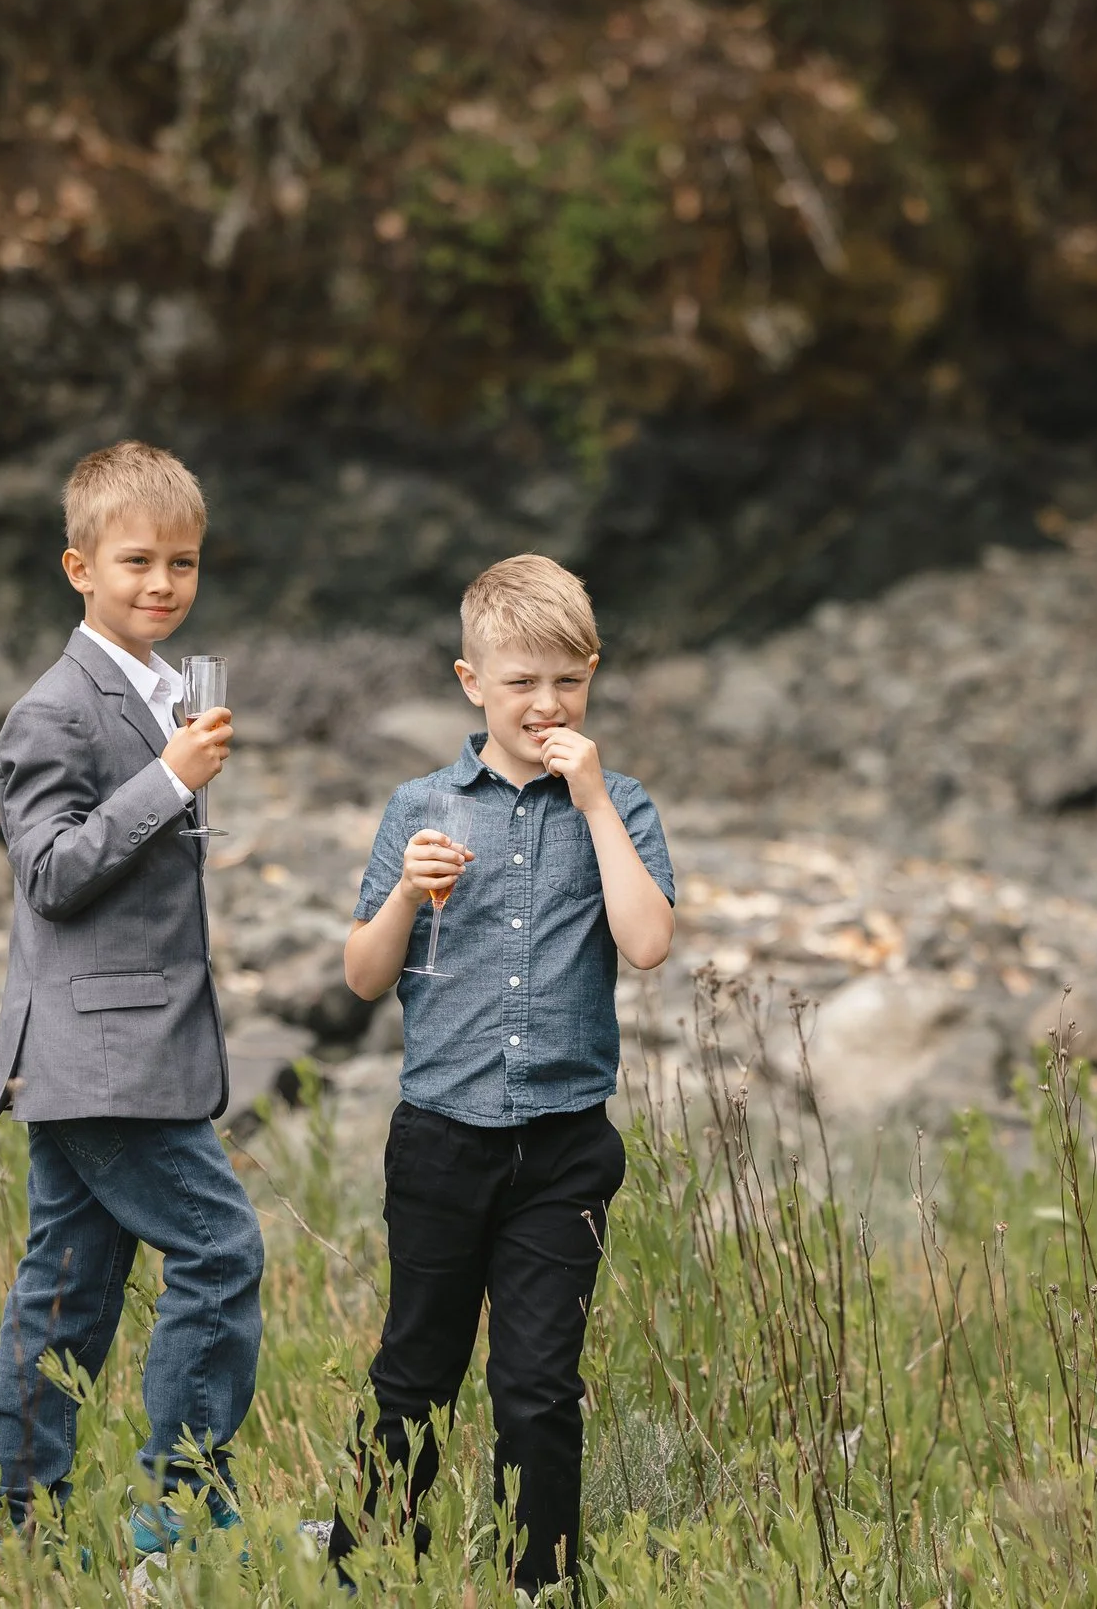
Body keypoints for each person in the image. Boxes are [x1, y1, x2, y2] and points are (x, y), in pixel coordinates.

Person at [330, 553, 675, 1592]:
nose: (545, 702)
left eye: (566, 680)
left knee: (537, 1384)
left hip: (565, 1144)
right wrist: (402, 894)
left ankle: (540, 1580)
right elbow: (359, 975)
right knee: (414, 1373)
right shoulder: (422, 804)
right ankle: (368, 1567)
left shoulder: (619, 805)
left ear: (592, 676)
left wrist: (595, 801)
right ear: (470, 682)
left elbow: (649, 942)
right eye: (519, 681)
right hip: (441, 1135)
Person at [0, 439, 263, 1557]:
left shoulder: (159, 694)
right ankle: (179, 1512)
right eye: (136, 560)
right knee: (218, 1249)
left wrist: (171, 775)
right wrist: (170, 784)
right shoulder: (53, 710)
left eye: (182, 564)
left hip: (128, 1049)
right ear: (77, 567)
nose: (161, 584)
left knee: (67, 1291)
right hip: (96, 1056)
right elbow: (49, 874)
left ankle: (14, 1524)